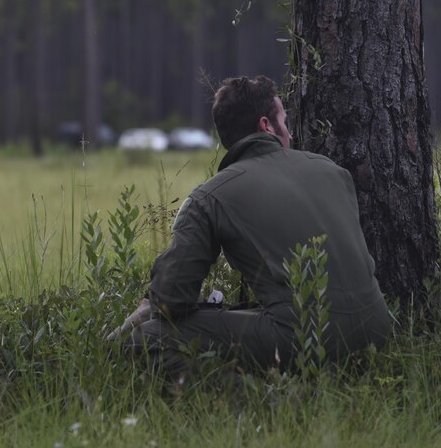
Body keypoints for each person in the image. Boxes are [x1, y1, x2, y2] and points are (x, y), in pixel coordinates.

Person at [115, 75, 390, 378]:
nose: (288, 131)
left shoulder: (210, 197)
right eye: (284, 121)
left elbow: (170, 301)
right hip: (377, 333)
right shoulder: (334, 171)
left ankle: (261, 404)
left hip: (304, 340)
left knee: (143, 337)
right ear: (266, 125)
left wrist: (148, 308)